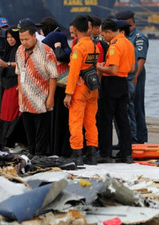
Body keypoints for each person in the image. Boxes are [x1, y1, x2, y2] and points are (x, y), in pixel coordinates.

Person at [15, 25, 58, 157]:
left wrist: (51, 98)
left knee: (42, 131)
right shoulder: (20, 50)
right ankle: (31, 152)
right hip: (26, 98)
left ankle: (40, 155)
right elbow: (18, 72)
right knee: (29, 130)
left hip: (41, 98)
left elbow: (53, 76)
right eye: (21, 39)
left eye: (26, 39)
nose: (24, 42)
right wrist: (20, 93)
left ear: (34, 36)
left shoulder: (47, 51)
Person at [96, 19, 135, 163]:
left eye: (103, 35)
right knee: (122, 119)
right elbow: (132, 68)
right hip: (123, 82)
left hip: (111, 83)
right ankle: (126, 153)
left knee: (105, 119)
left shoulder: (114, 46)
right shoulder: (128, 43)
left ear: (109, 32)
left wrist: (99, 67)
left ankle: (105, 153)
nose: (103, 38)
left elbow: (113, 69)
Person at [63, 15, 99, 165]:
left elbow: (74, 72)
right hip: (93, 87)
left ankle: (76, 154)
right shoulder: (94, 45)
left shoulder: (79, 48)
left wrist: (68, 93)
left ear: (76, 30)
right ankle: (92, 154)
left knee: (76, 121)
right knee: (91, 122)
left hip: (79, 88)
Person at [116, 9, 149, 144]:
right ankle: (124, 140)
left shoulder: (138, 37)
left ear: (128, 22)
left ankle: (139, 139)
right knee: (125, 108)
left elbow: (141, 58)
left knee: (136, 106)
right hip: (125, 74)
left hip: (136, 75)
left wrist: (135, 76)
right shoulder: (123, 36)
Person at [0, 26, 26, 148]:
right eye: (7, 37)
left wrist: (7, 64)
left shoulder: (20, 49)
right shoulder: (8, 49)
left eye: (12, 37)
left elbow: (23, 64)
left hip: (15, 84)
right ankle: (3, 139)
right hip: (7, 83)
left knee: (11, 112)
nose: (10, 40)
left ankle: (9, 139)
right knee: (5, 112)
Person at [42, 31, 72, 157]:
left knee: (62, 123)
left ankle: (62, 150)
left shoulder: (66, 53)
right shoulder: (51, 55)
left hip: (63, 93)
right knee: (53, 123)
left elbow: (61, 56)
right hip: (54, 92)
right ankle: (54, 149)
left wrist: (58, 47)